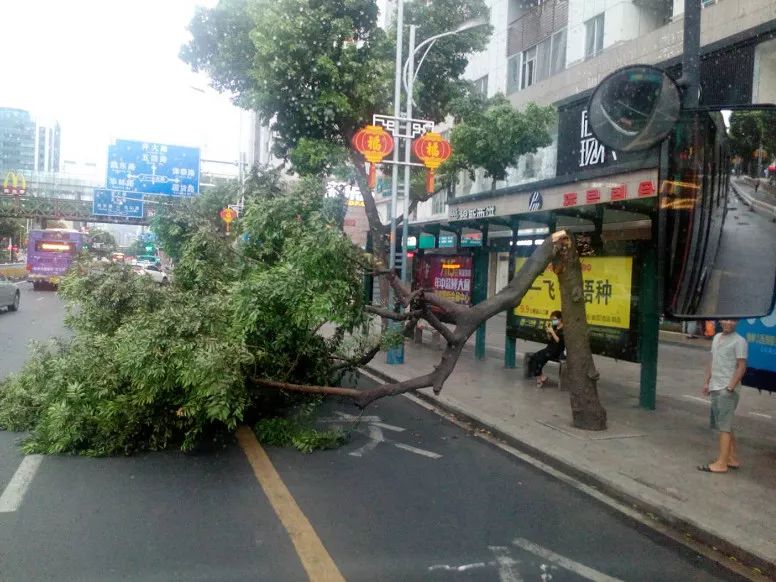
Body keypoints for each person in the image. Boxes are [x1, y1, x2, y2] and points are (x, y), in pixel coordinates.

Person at [698, 319, 748, 474]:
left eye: (732, 320)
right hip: (715, 386)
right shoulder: (717, 337)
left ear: (737, 322)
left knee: (724, 428)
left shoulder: (740, 341)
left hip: (727, 389)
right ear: (720, 320)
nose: (728, 323)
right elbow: (713, 361)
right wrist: (707, 382)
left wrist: (730, 387)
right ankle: (732, 458)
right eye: (726, 319)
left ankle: (721, 463)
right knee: (724, 424)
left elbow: (741, 367)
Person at [530, 310, 565, 387]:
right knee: (534, 357)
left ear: (560, 319)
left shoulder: (564, 328)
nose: (553, 321)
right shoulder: (555, 327)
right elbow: (550, 340)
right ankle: (541, 377)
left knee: (539, 359)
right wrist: (548, 334)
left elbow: (559, 341)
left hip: (557, 351)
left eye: (555, 319)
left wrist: (552, 332)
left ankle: (540, 378)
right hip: (550, 348)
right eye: (552, 319)